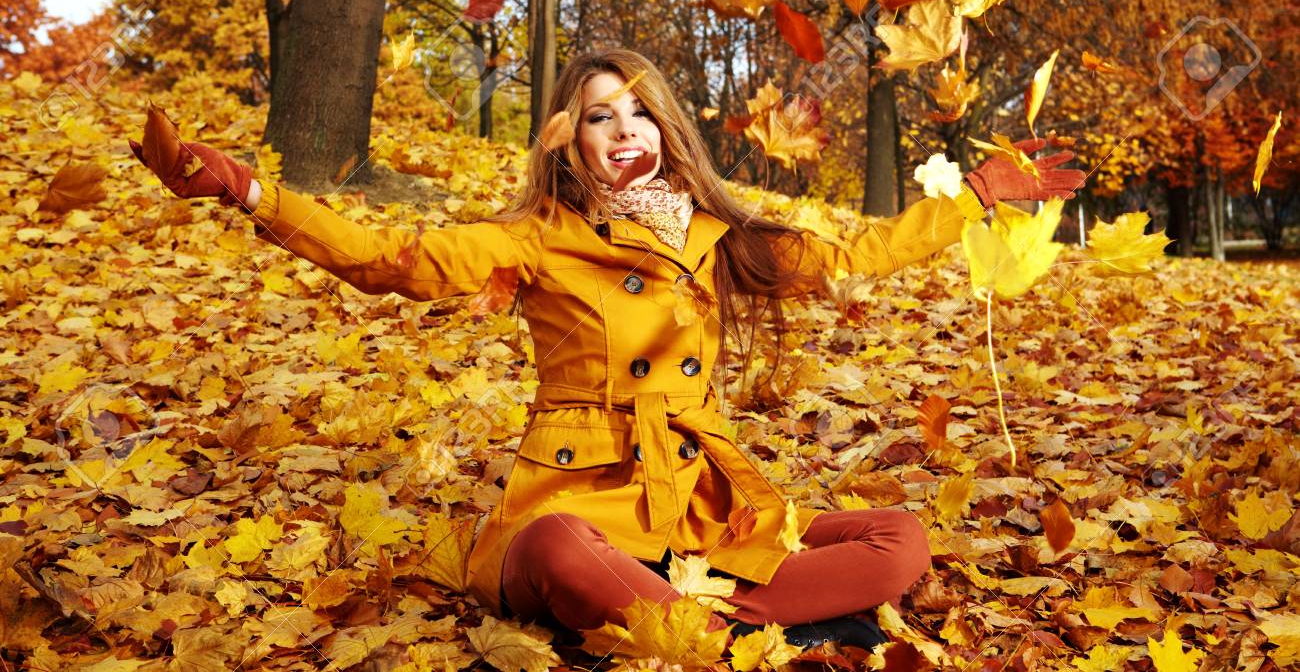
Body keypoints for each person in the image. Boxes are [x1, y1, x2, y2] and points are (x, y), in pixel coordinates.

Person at [128, 48, 1083, 652]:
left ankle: (694, 628)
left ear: (666, 129)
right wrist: (256, 194)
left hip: (703, 505)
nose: (624, 129)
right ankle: (740, 634)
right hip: (585, 495)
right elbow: (394, 259)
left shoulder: (720, 237)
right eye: (598, 114)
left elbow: (849, 253)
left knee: (899, 538)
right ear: (568, 141)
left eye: (638, 111)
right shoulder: (539, 236)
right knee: (552, 550)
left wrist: (974, 202)